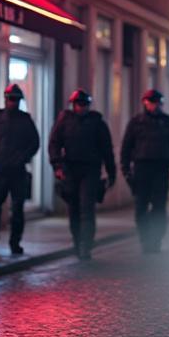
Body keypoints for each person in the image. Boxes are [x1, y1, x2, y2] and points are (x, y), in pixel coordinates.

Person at [47, 90, 116, 260]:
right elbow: (54, 144)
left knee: (87, 209)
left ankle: (86, 245)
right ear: (73, 105)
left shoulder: (97, 123)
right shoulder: (64, 121)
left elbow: (107, 149)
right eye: (79, 104)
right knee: (74, 210)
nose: (81, 108)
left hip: (90, 171)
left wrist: (111, 171)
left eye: (84, 104)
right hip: (70, 171)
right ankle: (78, 242)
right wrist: (57, 165)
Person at [0, 83, 40, 254]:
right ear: (6, 99)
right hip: (0, 170)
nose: (13, 102)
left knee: (18, 208)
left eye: (16, 100)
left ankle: (15, 242)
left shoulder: (25, 119)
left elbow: (35, 142)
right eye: (11, 99)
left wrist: (24, 157)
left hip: (18, 171)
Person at [120, 89, 169, 253]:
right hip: (141, 169)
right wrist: (126, 169)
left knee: (159, 207)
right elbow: (126, 147)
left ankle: (156, 239)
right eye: (150, 102)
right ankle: (145, 239)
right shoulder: (136, 122)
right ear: (145, 103)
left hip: (161, 169)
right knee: (141, 207)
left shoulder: (168, 122)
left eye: (156, 103)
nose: (153, 106)